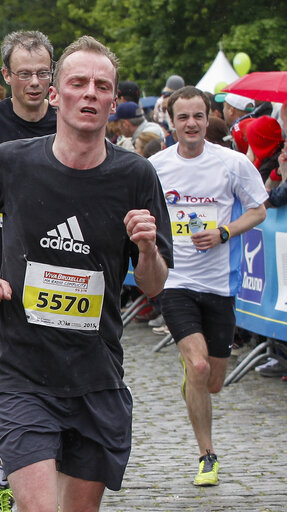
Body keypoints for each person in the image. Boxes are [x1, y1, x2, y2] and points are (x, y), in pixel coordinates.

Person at [0, 35, 172, 511]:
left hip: (96, 376)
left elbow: (154, 284)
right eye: (78, 82)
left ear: (114, 100)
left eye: (101, 85)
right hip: (22, 373)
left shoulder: (136, 176)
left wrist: (147, 247)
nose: (90, 92)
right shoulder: (12, 162)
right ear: (56, 94)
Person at [150, 85, 267, 487]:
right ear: (171, 120)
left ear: (208, 116)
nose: (191, 124)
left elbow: (259, 210)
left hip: (220, 284)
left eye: (198, 116)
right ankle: (207, 455)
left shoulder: (232, 163)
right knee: (198, 365)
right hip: (177, 280)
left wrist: (225, 232)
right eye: (182, 117)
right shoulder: (157, 166)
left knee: (212, 380)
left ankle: (195, 378)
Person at [0, 29, 58, 512]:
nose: (36, 82)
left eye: (44, 73)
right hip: (2, 275)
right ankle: (9, 461)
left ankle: (43, 457)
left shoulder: (69, 123)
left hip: (61, 271)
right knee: (4, 376)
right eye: (25, 74)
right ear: (7, 76)